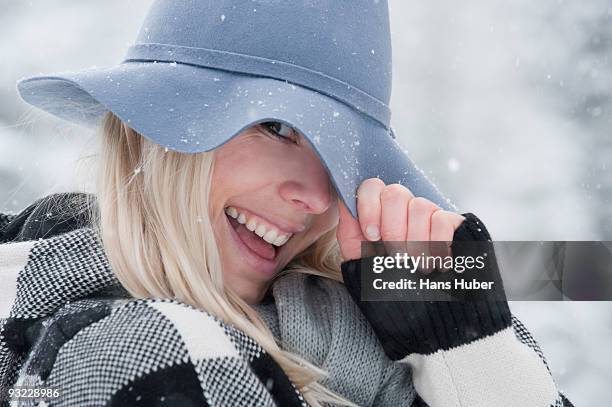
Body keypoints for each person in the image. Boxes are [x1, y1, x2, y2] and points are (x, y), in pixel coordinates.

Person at [0, 1, 572, 406]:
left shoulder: (369, 342)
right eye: (276, 128)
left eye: (343, 159)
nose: (319, 195)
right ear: (156, 129)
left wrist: (465, 347)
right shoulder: (146, 353)